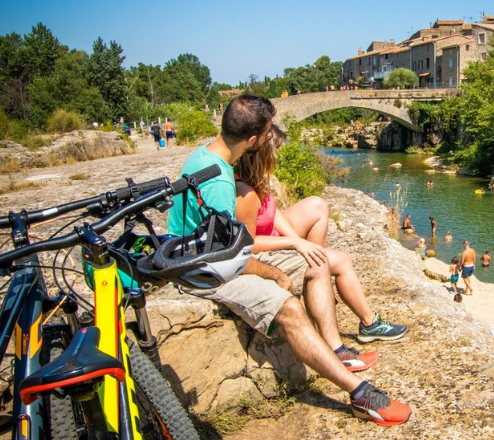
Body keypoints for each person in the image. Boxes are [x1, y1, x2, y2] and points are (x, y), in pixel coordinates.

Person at [167, 95, 410, 426]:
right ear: (252, 139)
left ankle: (337, 351)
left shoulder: (208, 158)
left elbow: (232, 245)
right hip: (205, 271)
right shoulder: (222, 186)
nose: (272, 137)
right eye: (268, 132)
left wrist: (296, 247)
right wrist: (275, 274)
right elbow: (232, 256)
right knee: (289, 307)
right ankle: (360, 394)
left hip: (218, 256)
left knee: (318, 260)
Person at [235, 124, 408, 344]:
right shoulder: (244, 193)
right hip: (261, 251)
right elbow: (247, 245)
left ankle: (318, 276)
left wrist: (298, 241)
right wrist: (294, 243)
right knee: (342, 261)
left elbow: (272, 211)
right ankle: (369, 323)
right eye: (276, 150)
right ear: (263, 153)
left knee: (317, 205)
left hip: (272, 237)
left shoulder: (256, 177)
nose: (278, 155)